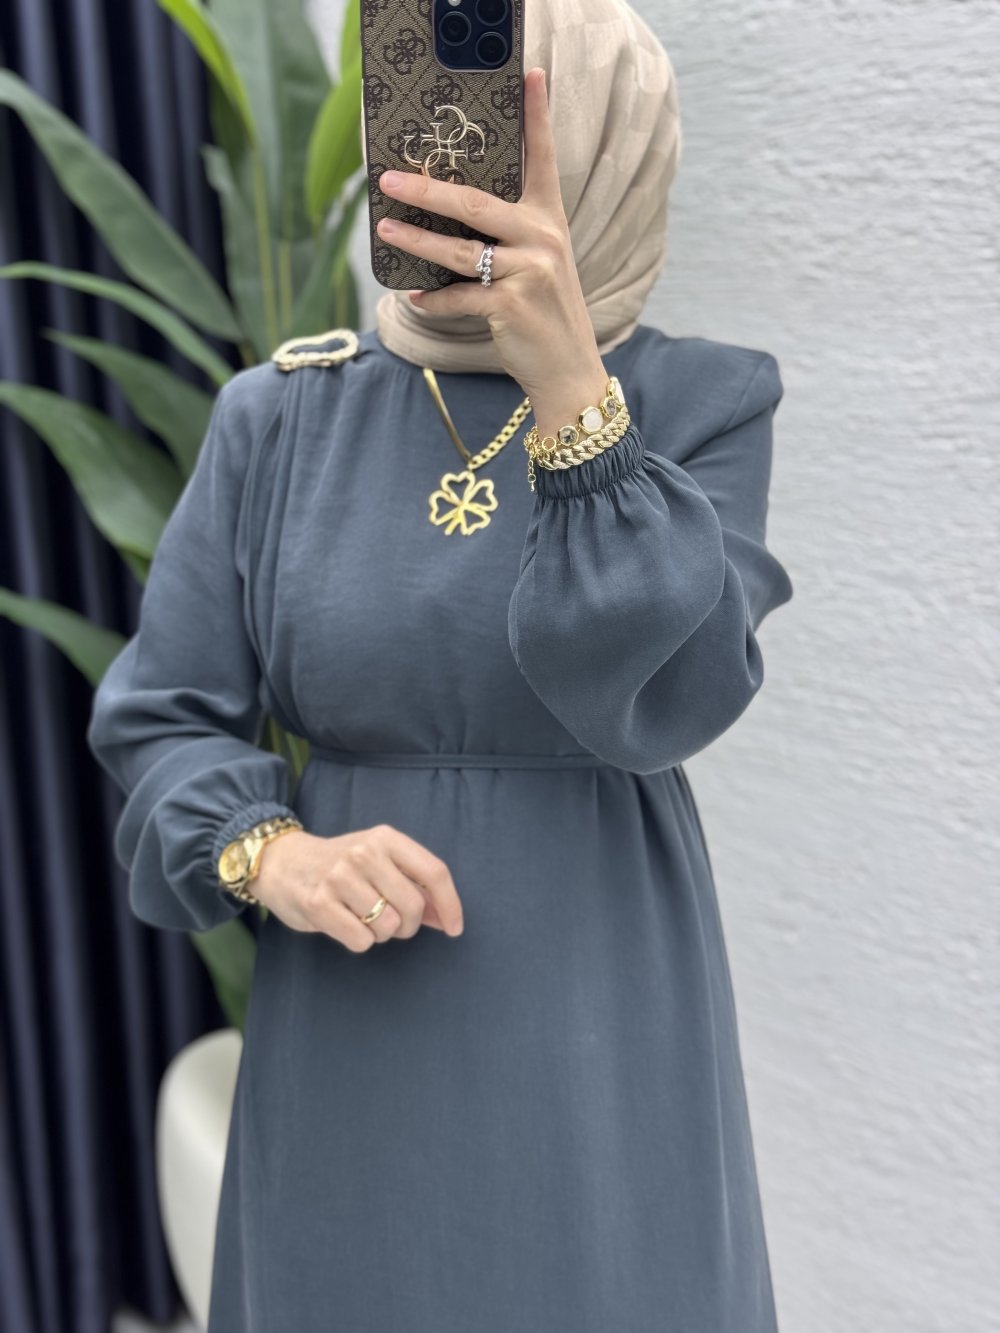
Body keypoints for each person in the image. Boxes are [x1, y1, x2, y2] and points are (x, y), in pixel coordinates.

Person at [86, 2, 794, 1329]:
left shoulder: (703, 407)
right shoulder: (280, 417)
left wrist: (574, 398)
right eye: (417, 121)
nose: (444, 163)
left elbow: (676, 694)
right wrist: (271, 854)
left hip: (599, 1027)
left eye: (505, 132)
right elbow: (162, 716)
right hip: (349, 1027)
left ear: (602, 145)